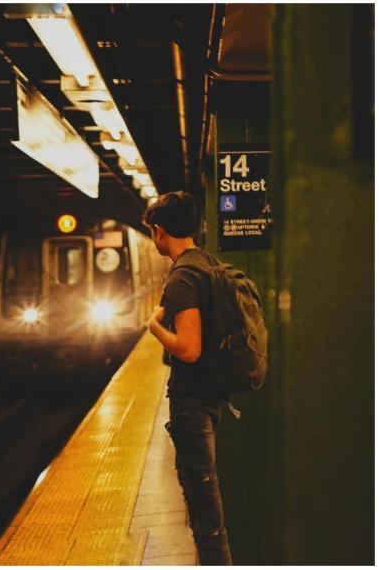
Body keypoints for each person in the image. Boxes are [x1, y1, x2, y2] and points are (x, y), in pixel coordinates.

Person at [142, 191, 233, 565]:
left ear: (160, 232)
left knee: (205, 508)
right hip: (211, 395)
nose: (153, 237)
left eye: (152, 231)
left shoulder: (182, 276)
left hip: (192, 403)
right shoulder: (207, 263)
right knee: (205, 501)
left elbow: (189, 348)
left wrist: (154, 328)